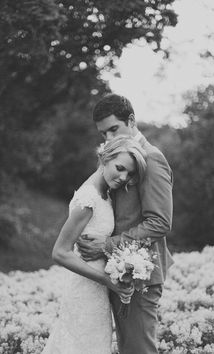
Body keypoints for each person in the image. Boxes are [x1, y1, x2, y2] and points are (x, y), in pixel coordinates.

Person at [78, 94, 174, 354]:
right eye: (103, 134)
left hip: (140, 275)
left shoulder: (151, 158)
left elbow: (160, 222)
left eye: (113, 129)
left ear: (131, 121)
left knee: (138, 350)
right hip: (118, 272)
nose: (109, 138)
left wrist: (108, 245)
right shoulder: (118, 157)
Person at [41, 136, 147, 354]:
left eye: (129, 173)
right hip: (85, 288)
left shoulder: (105, 193)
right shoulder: (88, 198)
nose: (123, 177)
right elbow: (60, 253)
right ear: (105, 157)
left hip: (97, 288)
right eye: (120, 168)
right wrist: (107, 280)